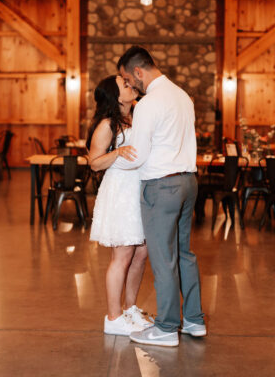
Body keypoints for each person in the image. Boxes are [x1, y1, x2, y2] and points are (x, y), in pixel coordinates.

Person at [112, 46, 206, 347]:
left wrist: (109, 162)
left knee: (163, 258)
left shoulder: (150, 103)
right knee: (184, 254)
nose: (130, 86)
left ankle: (166, 328)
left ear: (139, 72)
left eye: (128, 79)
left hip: (162, 188)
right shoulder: (182, 95)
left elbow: (137, 155)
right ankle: (194, 320)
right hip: (188, 182)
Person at [87, 75, 153, 336]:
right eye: (124, 85)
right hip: (120, 191)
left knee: (141, 253)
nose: (131, 86)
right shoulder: (107, 124)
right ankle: (113, 318)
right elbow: (93, 162)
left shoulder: (137, 115)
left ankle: (130, 309)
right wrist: (115, 153)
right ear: (115, 96)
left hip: (140, 188)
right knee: (123, 255)